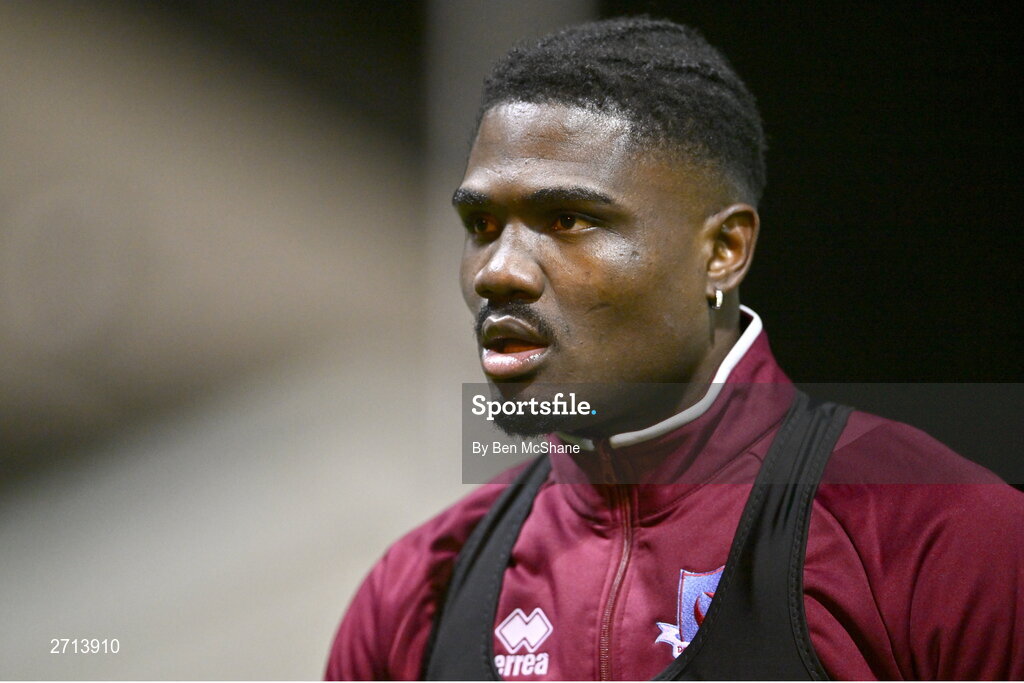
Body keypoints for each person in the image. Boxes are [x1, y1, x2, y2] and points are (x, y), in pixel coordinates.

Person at [325, 17, 1023, 680]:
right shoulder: (416, 591)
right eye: (481, 223)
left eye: (565, 218)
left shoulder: (941, 540)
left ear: (723, 250)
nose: (496, 270)